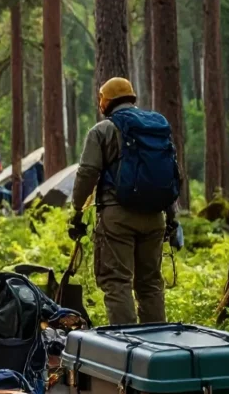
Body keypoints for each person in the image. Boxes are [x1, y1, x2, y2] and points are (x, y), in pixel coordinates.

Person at [69, 77, 182, 325]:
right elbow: (167, 176)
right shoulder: (155, 128)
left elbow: (88, 172)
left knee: (117, 282)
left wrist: (77, 210)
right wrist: (173, 218)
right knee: (150, 283)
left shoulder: (103, 130)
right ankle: (158, 348)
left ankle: (128, 348)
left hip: (117, 218)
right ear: (131, 98)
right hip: (155, 217)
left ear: (105, 102)